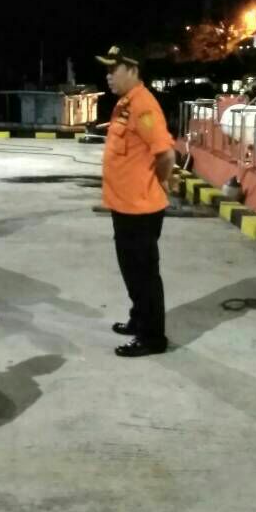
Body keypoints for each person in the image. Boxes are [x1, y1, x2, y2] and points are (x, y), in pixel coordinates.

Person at [97, 46, 176, 357]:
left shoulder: (143, 106)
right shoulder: (126, 103)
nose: (108, 76)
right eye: (107, 70)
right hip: (124, 207)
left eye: (113, 70)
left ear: (132, 70)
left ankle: (153, 338)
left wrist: (159, 181)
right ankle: (139, 319)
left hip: (140, 210)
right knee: (131, 272)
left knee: (144, 275)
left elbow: (166, 154)